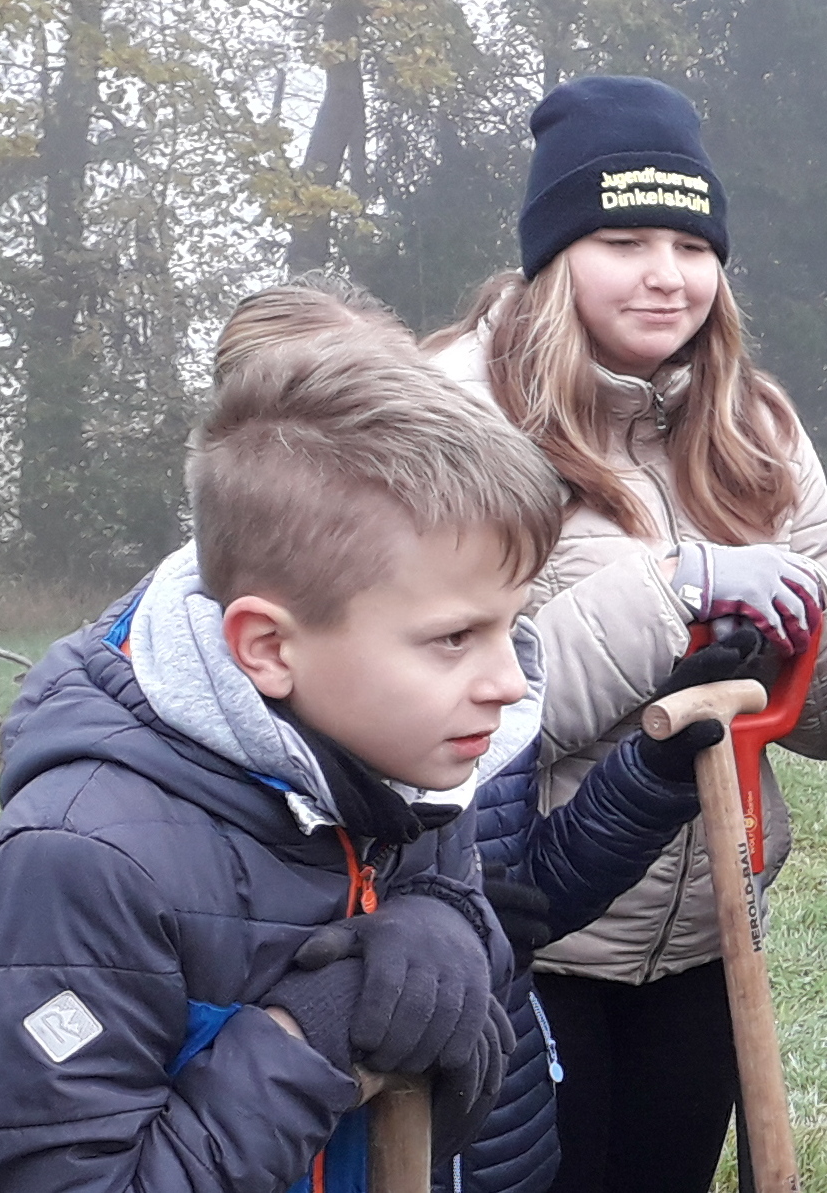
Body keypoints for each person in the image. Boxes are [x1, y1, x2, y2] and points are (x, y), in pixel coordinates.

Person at [0, 336, 553, 1193]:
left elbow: (444, 933)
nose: (509, 681)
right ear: (268, 646)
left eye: (512, 624)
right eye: (453, 638)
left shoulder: (400, 764)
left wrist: (447, 926)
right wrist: (304, 1037)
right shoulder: (77, 866)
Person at [428, 75, 827, 1193]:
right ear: (554, 250)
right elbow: (459, 702)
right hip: (527, 928)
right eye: (623, 237)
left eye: (690, 240)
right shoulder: (451, 415)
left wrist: (798, 623)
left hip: (710, 926)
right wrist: (675, 587)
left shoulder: (755, 424)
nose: (665, 273)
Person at [217, 273, 727, 1193]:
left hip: (490, 1143)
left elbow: (521, 892)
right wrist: (363, 970)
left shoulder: (444, 686)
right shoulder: (207, 745)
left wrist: (652, 771)